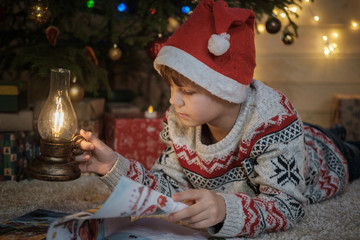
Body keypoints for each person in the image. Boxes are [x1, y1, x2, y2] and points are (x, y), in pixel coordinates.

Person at [74, 0, 360, 237]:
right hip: (297, 136)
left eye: (187, 90)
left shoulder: (271, 122)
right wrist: (112, 166)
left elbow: (287, 207)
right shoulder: (183, 121)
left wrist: (225, 209)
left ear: (225, 90)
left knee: (349, 146)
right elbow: (168, 189)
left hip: (325, 154)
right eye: (172, 88)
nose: (174, 100)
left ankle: (339, 134)